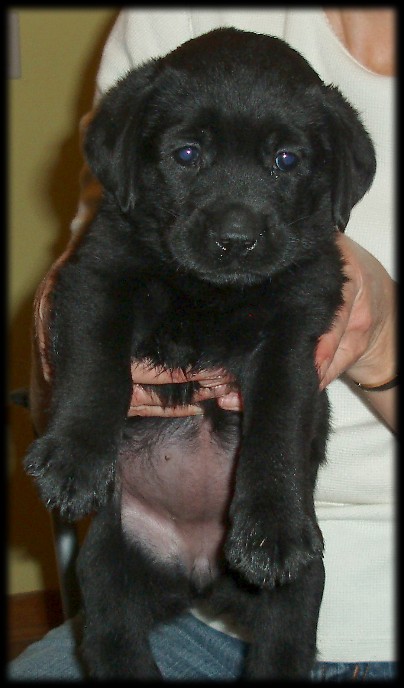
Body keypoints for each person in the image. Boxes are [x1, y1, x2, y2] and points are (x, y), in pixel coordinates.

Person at [9, 8, 396, 681]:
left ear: (335, 172)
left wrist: (385, 338)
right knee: (106, 605)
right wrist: (81, 412)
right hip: (147, 527)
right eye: (188, 155)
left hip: (297, 543)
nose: (238, 221)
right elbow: (85, 297)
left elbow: (286, 374)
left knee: (290, 597)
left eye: (284, 161)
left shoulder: (305, 260)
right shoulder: (168, 29)